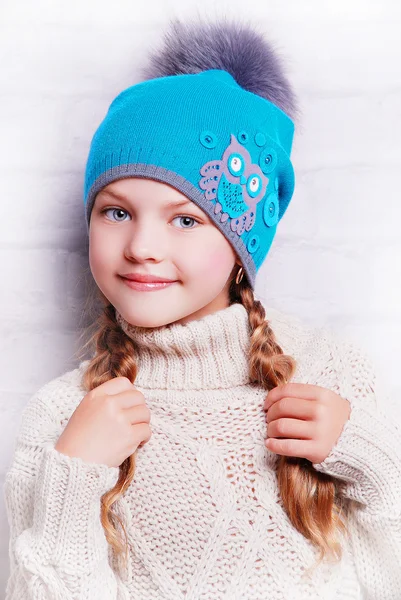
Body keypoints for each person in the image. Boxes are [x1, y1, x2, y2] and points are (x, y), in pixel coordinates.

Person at [3, 16, 401, 600]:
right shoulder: (62, 418)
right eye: (116, 211)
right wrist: (72, 479)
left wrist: (371, 460)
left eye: (186, 220)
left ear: (242, 248)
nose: (141, 247)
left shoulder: (332, 378)